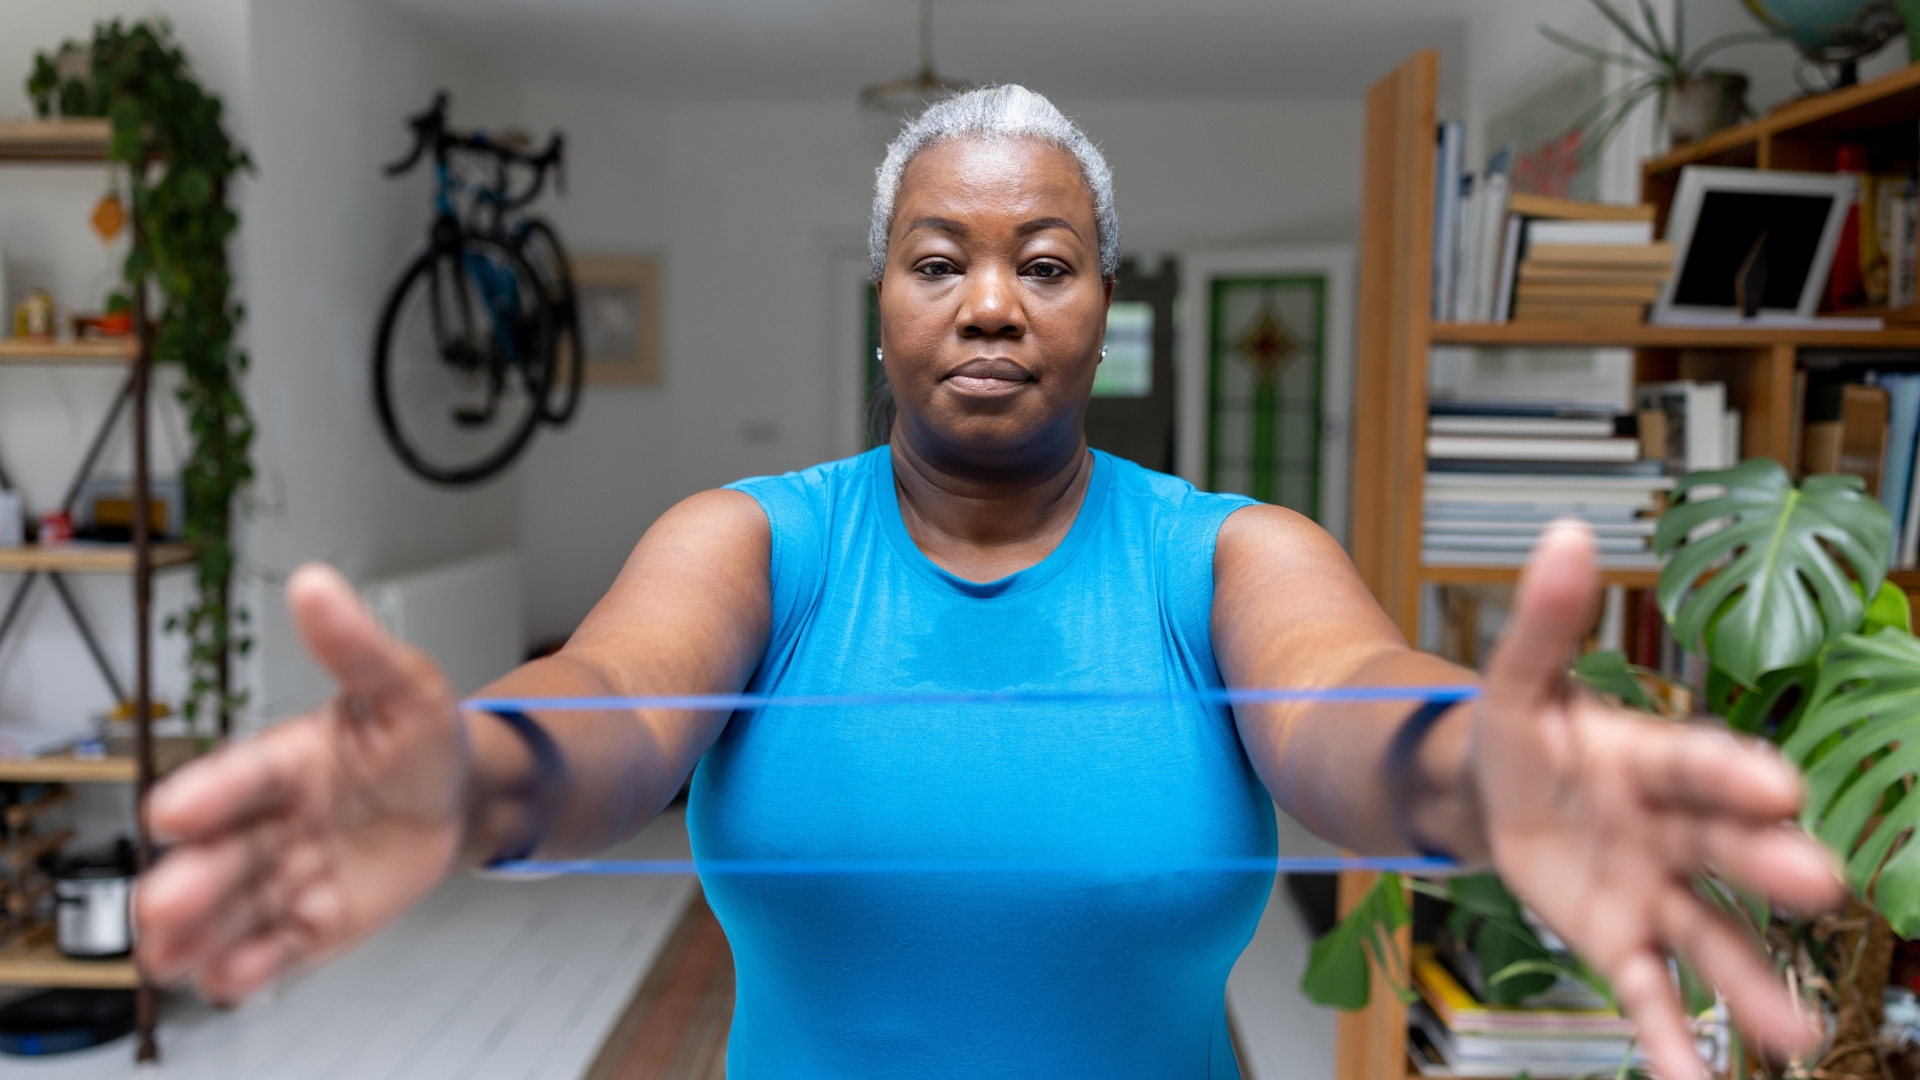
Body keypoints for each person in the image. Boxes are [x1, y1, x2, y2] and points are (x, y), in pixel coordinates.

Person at [136, 85, 1841, 1080]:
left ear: (1104, 300)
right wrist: (472, 774)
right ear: (881, 295)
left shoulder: (1226, 554)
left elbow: (1339, 701)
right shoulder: (758, 544)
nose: (992, 305)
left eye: (1046, 263)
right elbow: (612, 704)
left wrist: (1473, 765)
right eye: (938, 261)